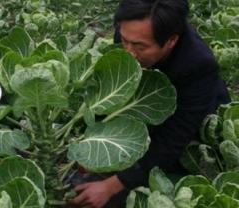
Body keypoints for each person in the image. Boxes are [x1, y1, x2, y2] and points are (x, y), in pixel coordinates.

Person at [71, 0, 230, 207]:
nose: (128, 51)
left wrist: (113, 185)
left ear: (171, 40)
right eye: (124, 40)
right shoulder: (131, 33)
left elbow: (174, 139)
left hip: (192, 122)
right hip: (148, 105)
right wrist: (92, 147)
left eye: (139, 46)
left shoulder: (197, 65)